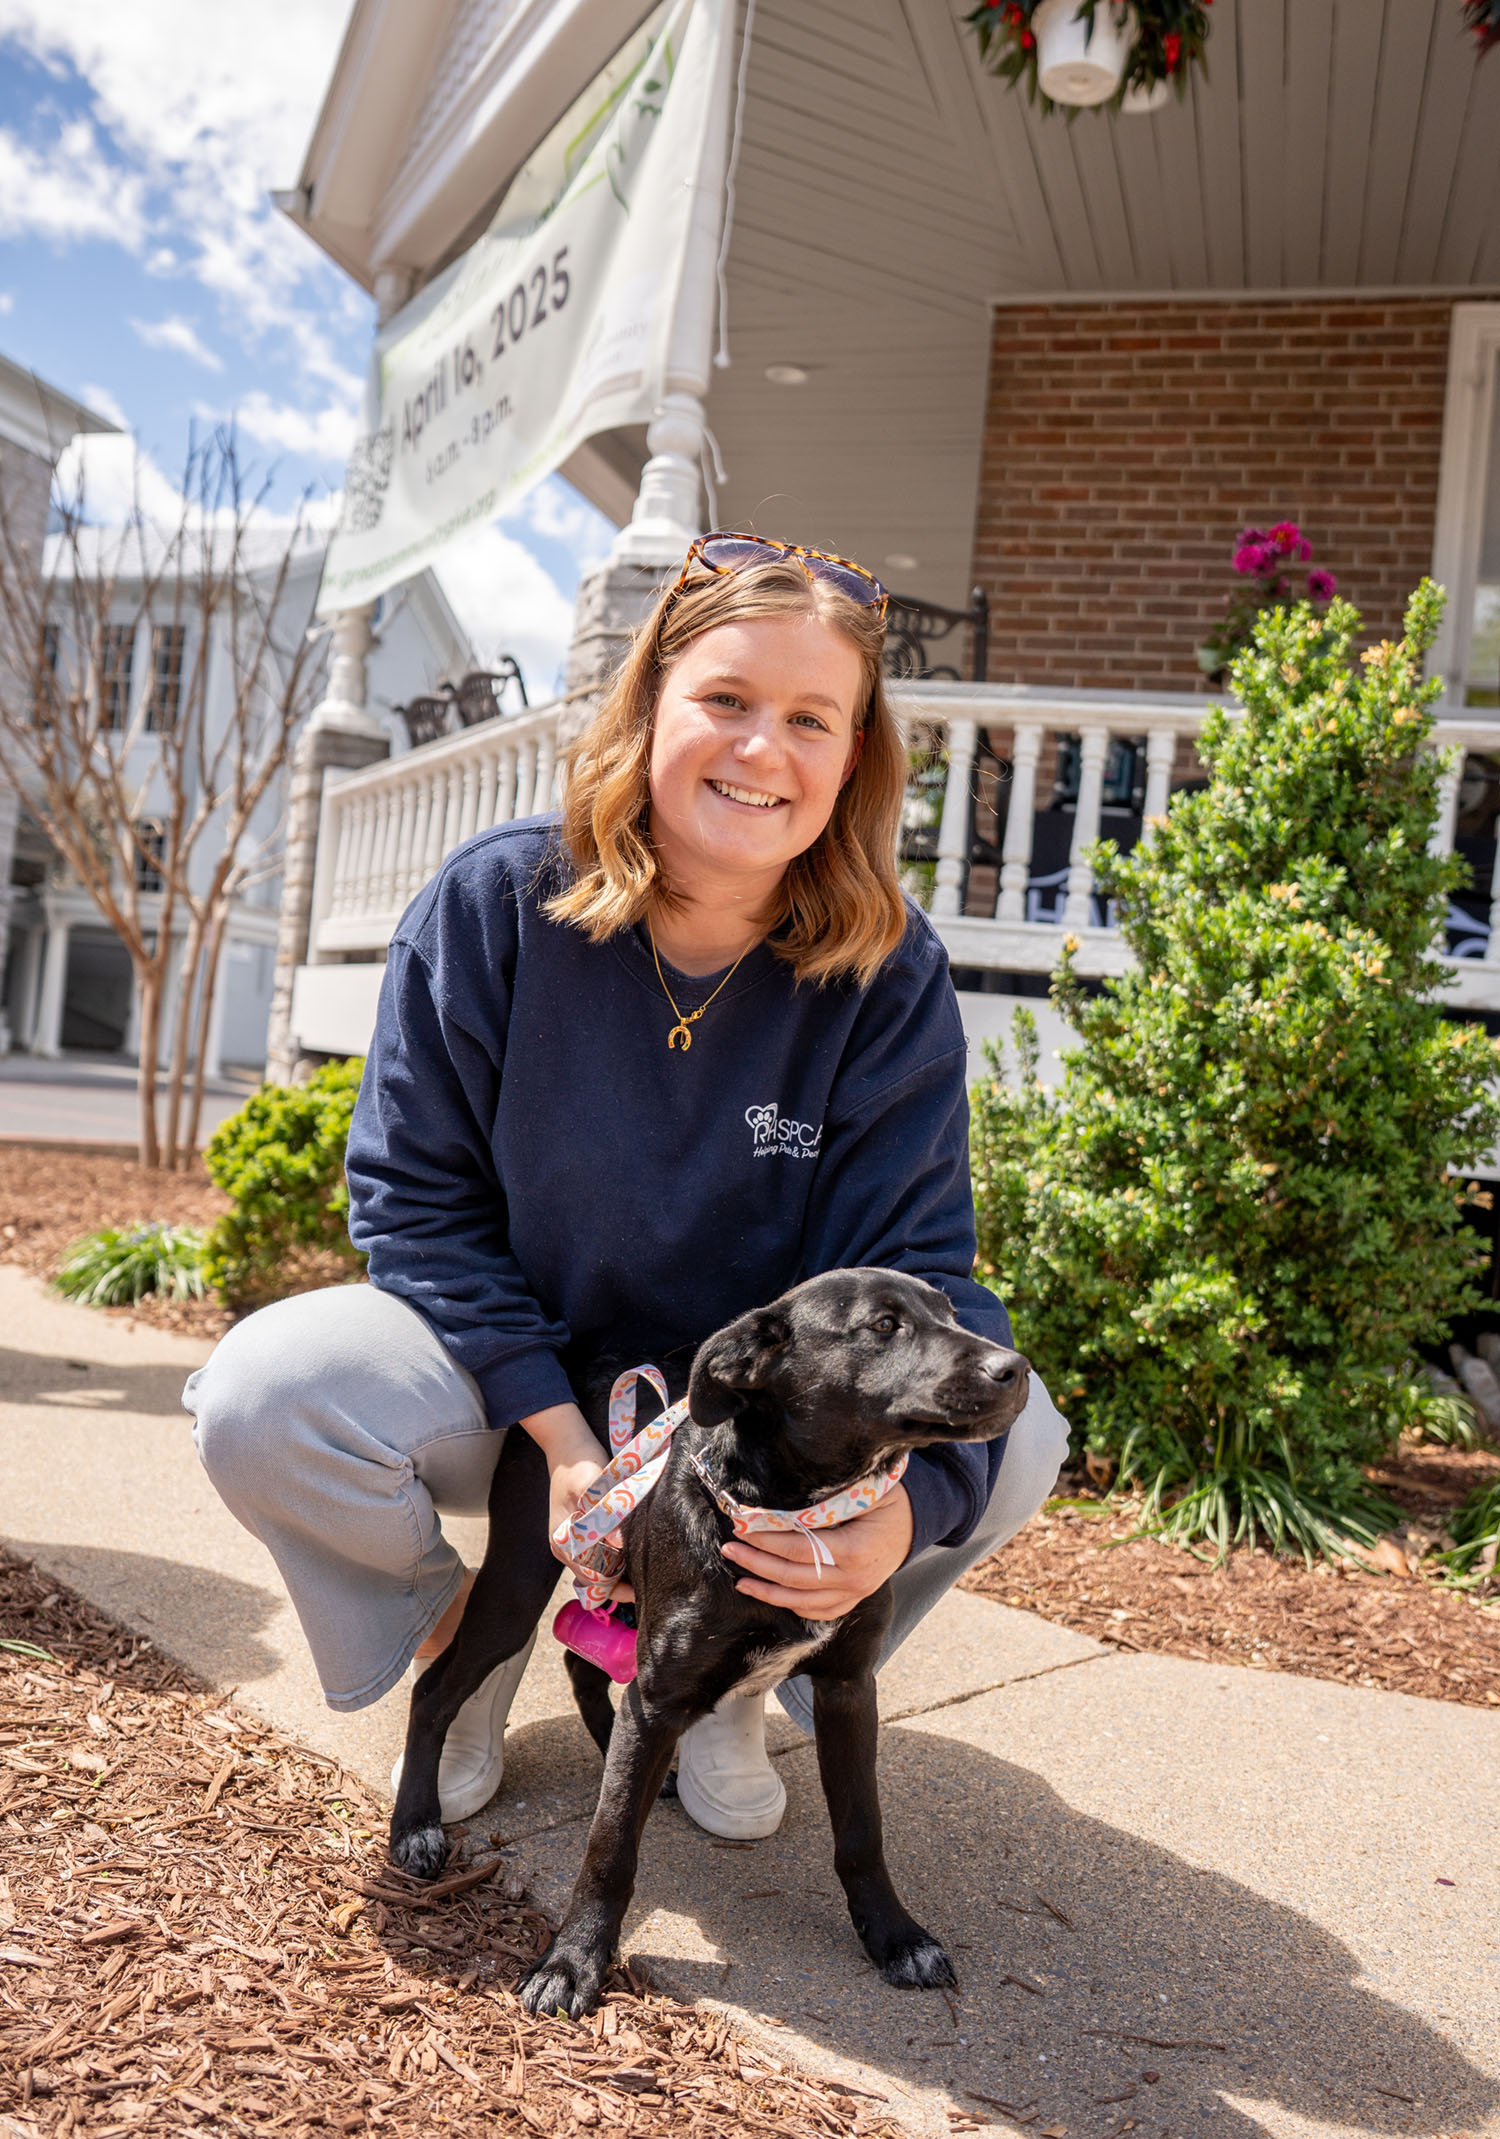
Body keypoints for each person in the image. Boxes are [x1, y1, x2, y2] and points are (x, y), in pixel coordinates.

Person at [185, 531, 1069, 1842]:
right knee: (269, 1397)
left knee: (1020, 1434)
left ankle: (739, 1660)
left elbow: (925, 1273)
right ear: (652, 702)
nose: (760, 749)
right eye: (725, 700)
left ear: (855, 759)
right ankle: (456, 1647)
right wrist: (570, 1448)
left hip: (745, 1433)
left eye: (809, 719)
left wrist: (893, 1524)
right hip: (505, 1386)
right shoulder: (493, 907)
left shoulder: (886, 976)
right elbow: (415, 1208)